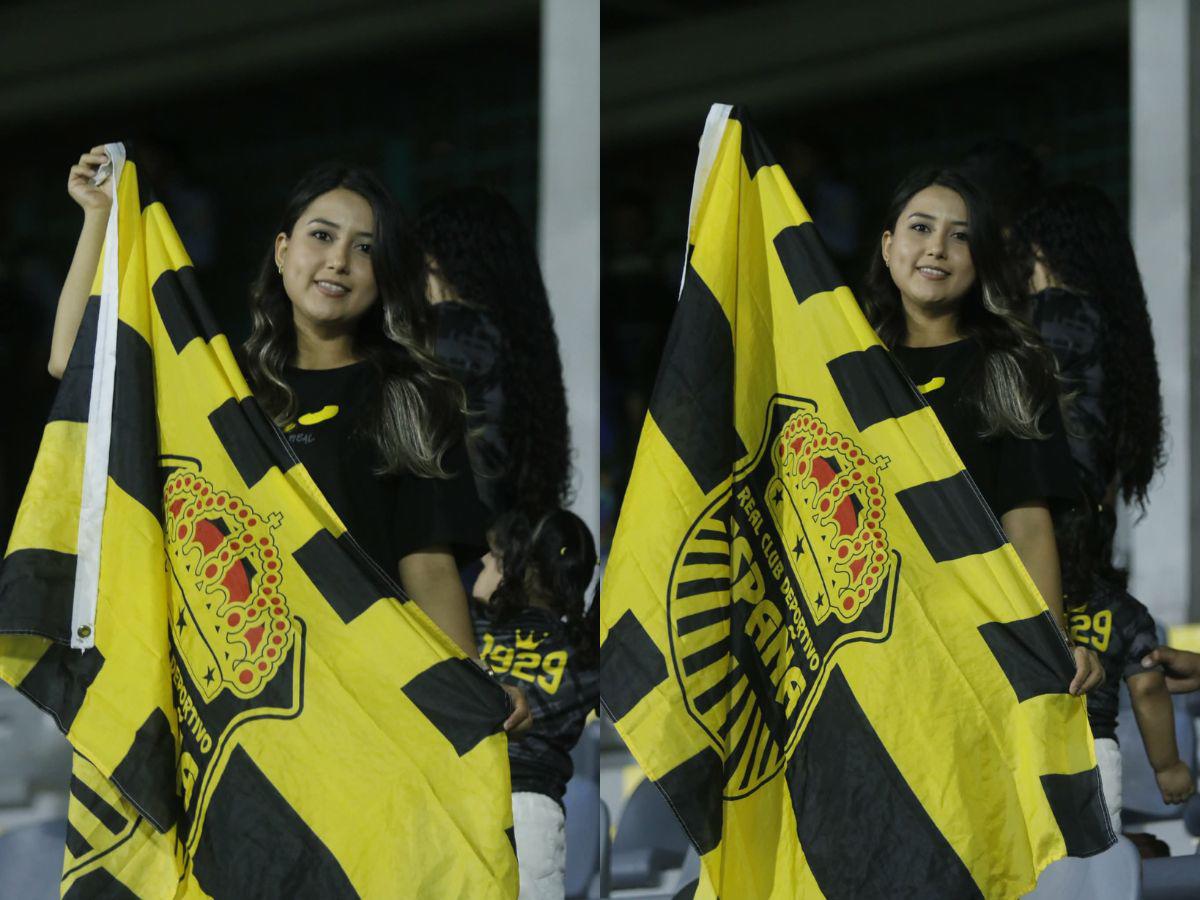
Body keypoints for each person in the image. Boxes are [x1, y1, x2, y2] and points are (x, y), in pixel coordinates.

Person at [49, 146, 531, 735]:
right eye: (321, 236)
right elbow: (75, 363)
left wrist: (474, 685)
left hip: (362, 707)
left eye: (365, 248)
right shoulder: (219, 385)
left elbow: (427, 567)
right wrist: (98, 217)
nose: (339, 261)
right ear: (282, 252)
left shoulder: (414, 399)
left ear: (384, 275)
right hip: (233, 710)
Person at [857, 165, 1103, 695]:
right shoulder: (843, 368)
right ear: (888, 245)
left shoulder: (1012, 366)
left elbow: (1027, 523)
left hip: (972, 646)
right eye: (921, 228)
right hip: (861, 644)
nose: (937, 248)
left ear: (981, 259)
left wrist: (1051, 645)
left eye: (961, 236)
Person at [1012, 184, 1187, 826]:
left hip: (1044, 540)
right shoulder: (1112, 327)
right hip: (1086, 541)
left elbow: (1044, 446)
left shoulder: (1055, 315)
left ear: (1044, 250)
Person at [418, 188, 572, 519]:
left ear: (439, 260)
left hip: (455, 532)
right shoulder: (520, 341)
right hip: (513, 530)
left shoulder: (450, 334)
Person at [470, 507, 599, 900]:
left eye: (494, 558)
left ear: (519, 564)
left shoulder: (472, 630)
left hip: (465, 799)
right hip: (532, 815)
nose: (485, 563)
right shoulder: (584, 656)